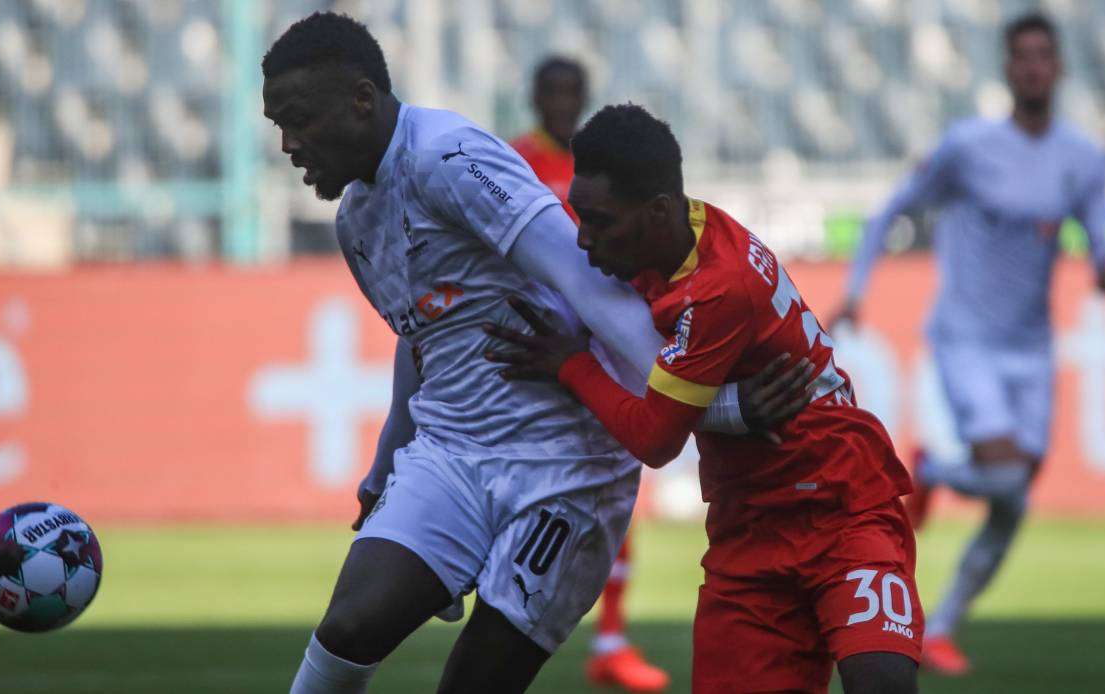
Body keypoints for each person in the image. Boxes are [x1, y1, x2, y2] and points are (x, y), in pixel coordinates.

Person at [262, 13, 771, 693]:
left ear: (360, 98)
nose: (289, 144)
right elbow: (421, 337)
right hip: (451, 456)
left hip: (566, 468)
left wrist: (717, 407)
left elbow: (585, 282)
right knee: (347, 631)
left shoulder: (448, 156)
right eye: (277, 127)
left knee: (472, 685)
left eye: (299, 119)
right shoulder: (357, 222)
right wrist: (385, 465)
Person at [485, 103, 922, 694]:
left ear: (657, 211)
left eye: (598, 222)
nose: (583, 241)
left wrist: (568, 365)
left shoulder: (718, 287)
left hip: (839, 507)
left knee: (882, 685)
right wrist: (735, 409)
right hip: (747, 532)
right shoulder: (663, 243)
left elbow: (654, 438)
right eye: (578, 219)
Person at [832, 12, 1105, 676]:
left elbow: (1101, 227)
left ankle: (940, 629)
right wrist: (854, 290)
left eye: (1043, 56)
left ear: (1060, 68)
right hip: (967, 339)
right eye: (1021, 56)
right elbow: (889, 212)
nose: (1032, 67)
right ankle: (927, 472)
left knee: (1012, 500)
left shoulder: (1080, 157)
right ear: (1007, 68)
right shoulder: (968, 147)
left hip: (1032, 348)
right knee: (1002, 477)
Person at [510, 55, 668, 693]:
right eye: (551, 91)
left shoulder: (601, 166)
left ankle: (609, 640)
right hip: (540, 340)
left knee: (616, 484)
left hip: (603, 338)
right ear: (534, 96)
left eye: (572, 92)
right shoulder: (514, 161)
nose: (561, 103)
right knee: (524, 480)